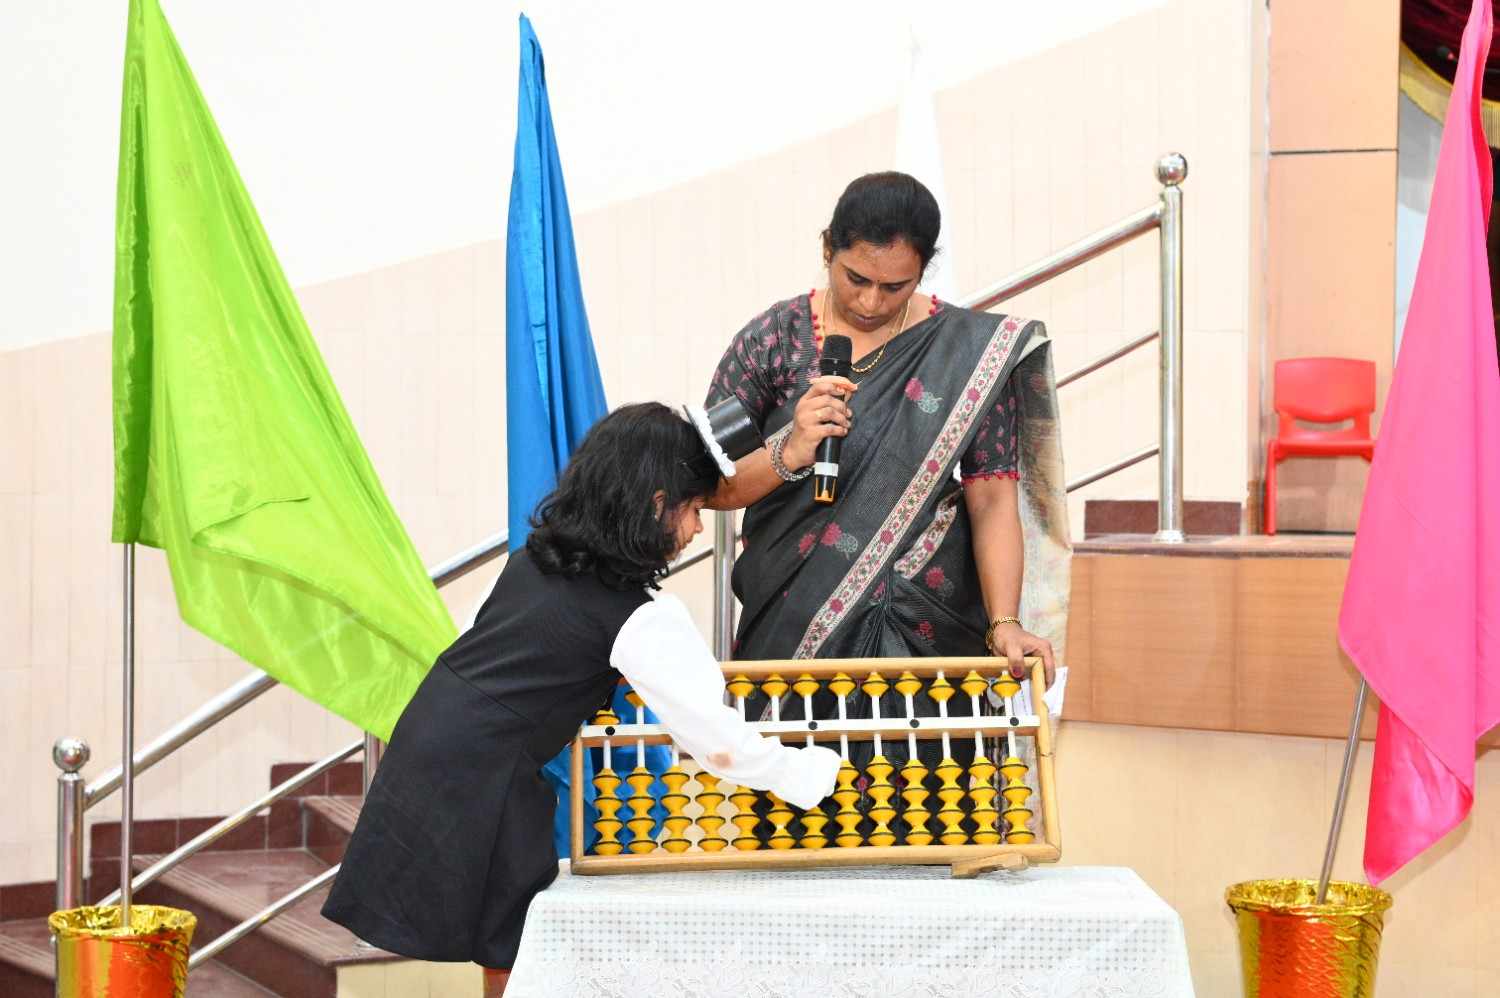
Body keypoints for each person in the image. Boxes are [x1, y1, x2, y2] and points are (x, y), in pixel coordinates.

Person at [322, 403, 841, 991]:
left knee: (508, 937)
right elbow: (716, 741)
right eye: (695, 509)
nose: (699, 530)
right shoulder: (642, 616)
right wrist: (811, 775)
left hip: (427, 741)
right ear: (656, 505)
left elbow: (485, 652)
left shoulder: (528, 562)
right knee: (520, 940)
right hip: (487, 774)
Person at [703, 171, 1071, 770]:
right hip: (791, 621)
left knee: (930, 798)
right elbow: (709, 485)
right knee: (796, 801)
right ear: (828, 249)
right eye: (856, 278)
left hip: (922, 626)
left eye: (895, 286)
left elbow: (992, 499)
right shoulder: (772, 341)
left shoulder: (967, 353)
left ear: (923, 270)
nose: (871, 302)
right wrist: (789, 451)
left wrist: (1005, 621)